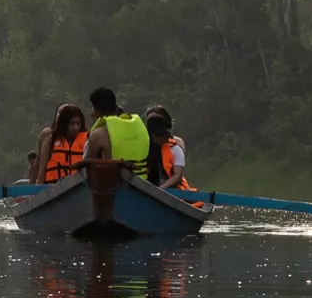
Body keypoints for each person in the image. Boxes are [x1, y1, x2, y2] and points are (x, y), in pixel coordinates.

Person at [82, 86, 150, 231]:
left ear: (97, 112)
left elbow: (85, 167)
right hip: (142, 186)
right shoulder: (139, 125)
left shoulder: (98, 134)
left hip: (115, 190)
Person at [31, 102, 89, 184]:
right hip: (54, 189)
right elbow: (42, 171)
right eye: (72, 123)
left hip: (79, 188)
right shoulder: (50, 141)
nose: (76, 127)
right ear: (64, 124)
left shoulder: (87, 140)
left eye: (78, 124)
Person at [143, 104, 193, 191]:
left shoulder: (176, 145)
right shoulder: (145, 145)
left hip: (170, 190)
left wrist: (160, 189)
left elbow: (178, 174)